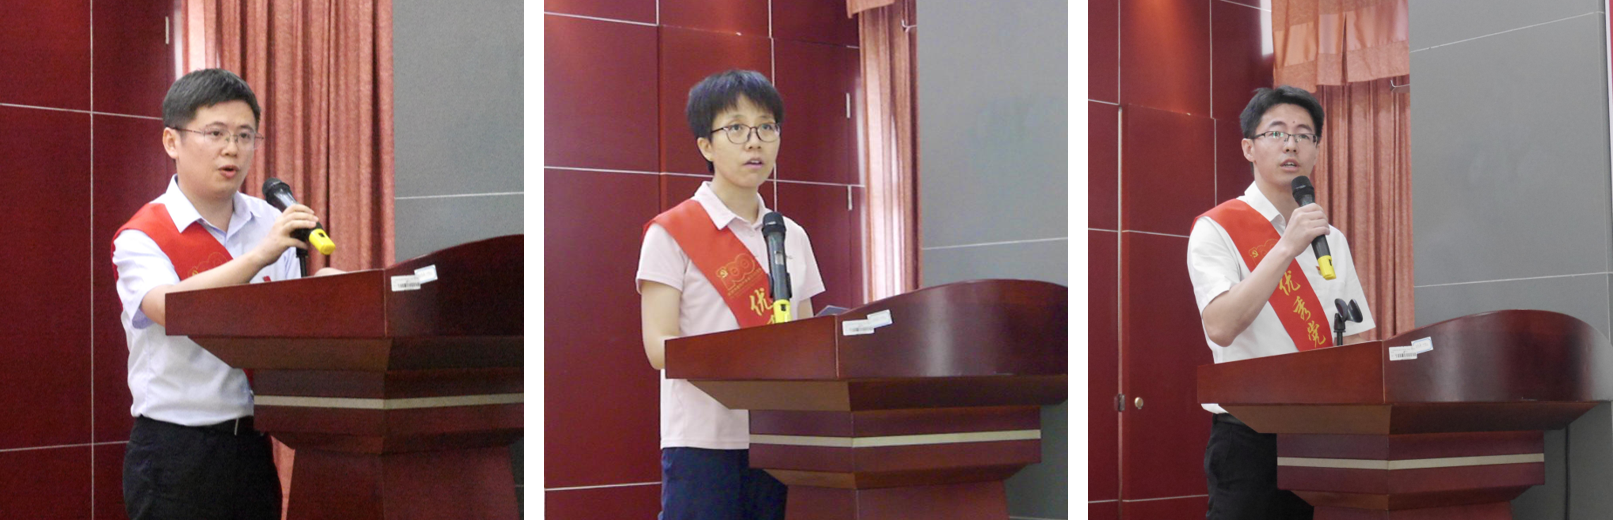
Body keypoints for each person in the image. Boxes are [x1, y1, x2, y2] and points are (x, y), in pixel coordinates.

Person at [114, 67, 342, 520]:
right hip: (175, 454)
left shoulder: (269, 221)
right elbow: (171, 307)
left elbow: (287, 318)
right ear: (172, 141)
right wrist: (259, 256)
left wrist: (330, 292)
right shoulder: (143, 235)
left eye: (244, 135)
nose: (232, 148)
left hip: (253, 448)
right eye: (215, 133)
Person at [637, 69, 826, 520]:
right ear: (706, 145)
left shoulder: (792, 235)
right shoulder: (671, 232)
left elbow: (808, 338)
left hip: (778, 435)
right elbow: (659, 347)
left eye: (766, 127)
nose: (754, 143)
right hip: (703, 440)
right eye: (736, 128)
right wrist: (745, 356)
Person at [1188, 85, 1377, 520]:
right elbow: (1220, 326)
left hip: (1324, 437)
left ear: (1316, 150)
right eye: (1276, 132)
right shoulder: (1216, 229)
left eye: (1304, 135)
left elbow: (1357, 341)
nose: (1291, 144)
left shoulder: (1331, 239)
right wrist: (1286, 246)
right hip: (1250, 439)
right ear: (1249, 148)